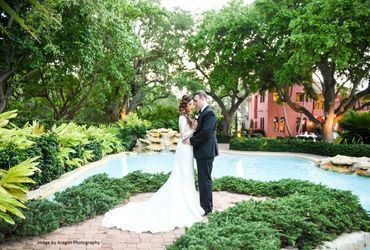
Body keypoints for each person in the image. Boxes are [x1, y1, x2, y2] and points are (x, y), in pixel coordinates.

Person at [101, 94, 204, 233]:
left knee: (188, 176)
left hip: (189, 149)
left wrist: (194, 126)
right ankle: (182, 204)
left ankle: (189, 203)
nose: (192, 106)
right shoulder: (182, 118)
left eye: (193, 104)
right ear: (185, 105)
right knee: (182, 175)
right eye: (190, 104)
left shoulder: (189, 117)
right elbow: (183, 135)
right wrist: (195, 128)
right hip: (184, 149)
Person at [183, 90, 218, 215]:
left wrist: (191, 141)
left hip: (206, 152)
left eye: (196, 101)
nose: (195, 103)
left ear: (203, 98)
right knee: (203, 180)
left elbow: (205, 133)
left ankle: (207, 208)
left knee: (205, 180)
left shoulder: (210, 114)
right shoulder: (203, 112)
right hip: (202, 152)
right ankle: (204, 205)